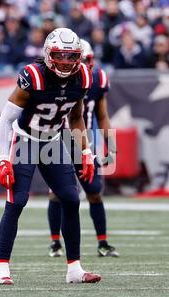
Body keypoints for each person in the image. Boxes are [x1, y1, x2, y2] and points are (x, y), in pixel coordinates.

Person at [0, 28, 101, 285]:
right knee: (17, 202)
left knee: (71, 199)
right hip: (25, 140)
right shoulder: (34, 76)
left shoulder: (83, 76)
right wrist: (4, 158)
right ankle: (2, 268)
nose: (65, 61)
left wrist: (84, 151)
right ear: (48, 54)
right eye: (60, 55)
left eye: (71, 56)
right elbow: (5, 120)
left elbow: (76, 117)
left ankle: (74, 268)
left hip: (52, 141)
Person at [47, 39, 119, 258]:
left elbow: (102, 115)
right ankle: (55, 243)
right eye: (82, 60)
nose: (85, 64)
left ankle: (102, 242)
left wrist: (111, 145)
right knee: (57, 194)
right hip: (59, 139)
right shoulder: (57, 78)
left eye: (88, 60)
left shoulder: (98, 79)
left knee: (95, 192)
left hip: (84, 141)